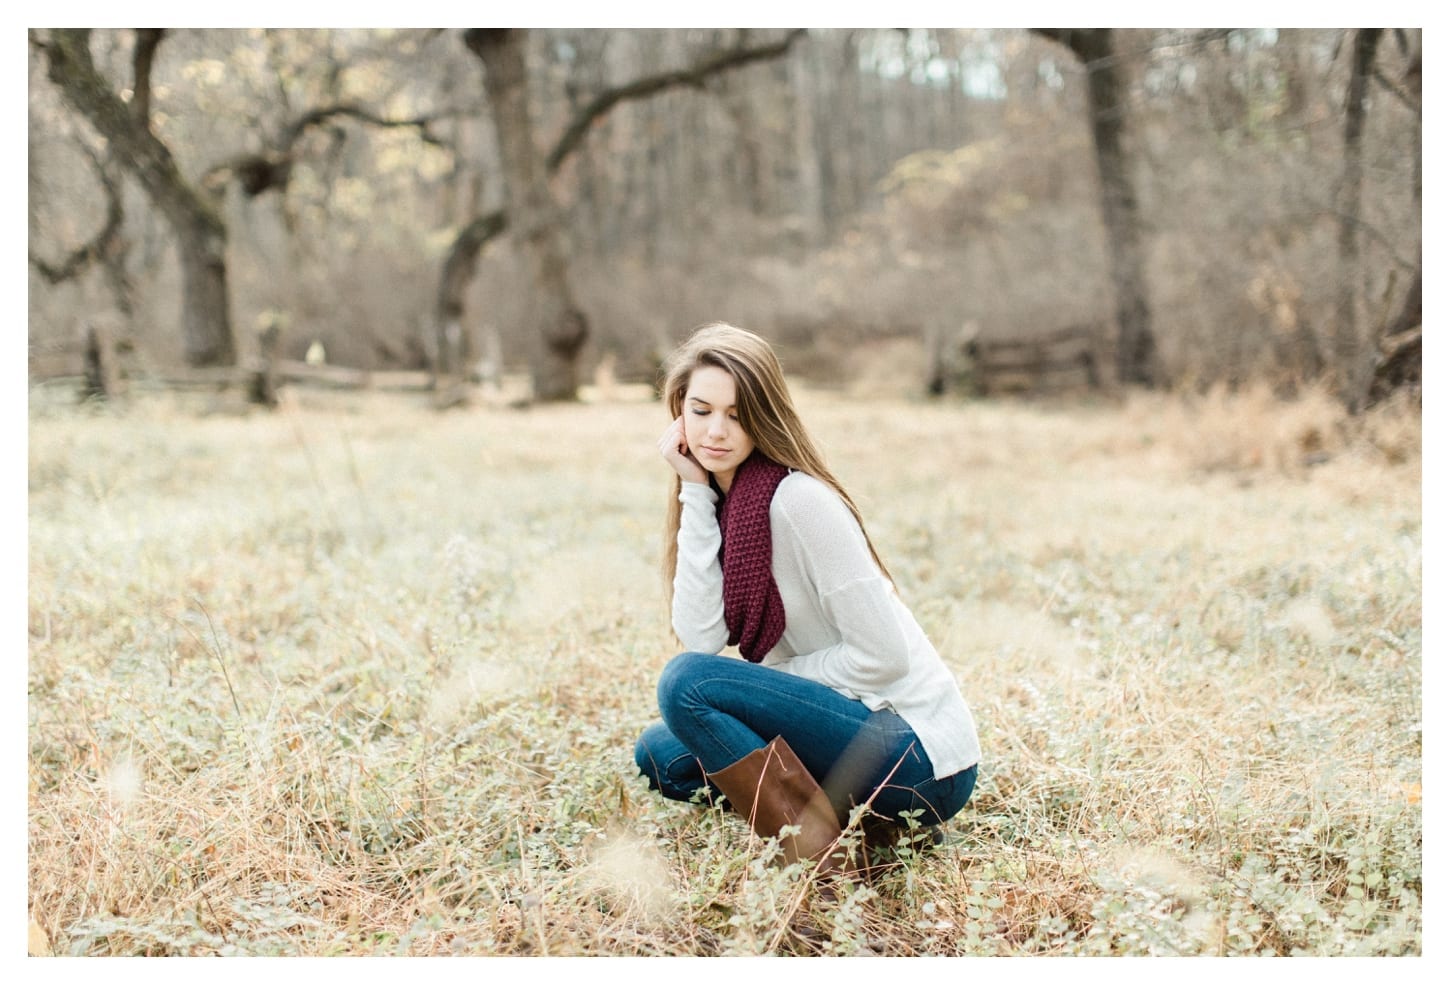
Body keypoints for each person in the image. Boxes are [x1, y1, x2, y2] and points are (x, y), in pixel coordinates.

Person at [633, 322, 981, 884]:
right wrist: (694, 491)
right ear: (678, 411)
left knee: (686, 684)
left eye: (738, 413)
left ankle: (823, 858)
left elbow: (884, 658)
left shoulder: (801, 502)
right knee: (660, 757)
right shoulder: (719, 505)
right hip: (844, 729)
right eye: (700, 410)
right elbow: (702, 636)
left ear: (764, 416)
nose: (716, 431)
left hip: (919, 753)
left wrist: (781, 681)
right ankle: (869, 826)